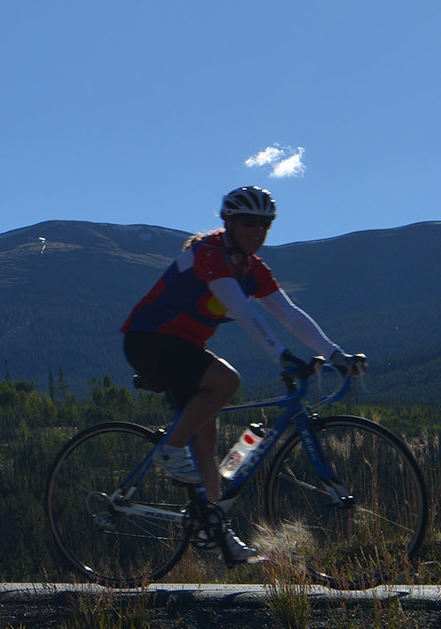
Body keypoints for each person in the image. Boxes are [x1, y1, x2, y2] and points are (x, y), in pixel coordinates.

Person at [120, 185, 365, 565]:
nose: (258, 230)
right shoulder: (209, 255)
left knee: (208, 446)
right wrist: (281, 355)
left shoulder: (253, 268)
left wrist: (336, 355)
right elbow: (245, 313)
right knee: (226, 381)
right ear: (230, 223)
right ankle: (168, 450)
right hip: (149, 339)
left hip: (184, 348)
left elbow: (290, 314)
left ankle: (214, 531)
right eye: (250, 222)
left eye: (266, 224)